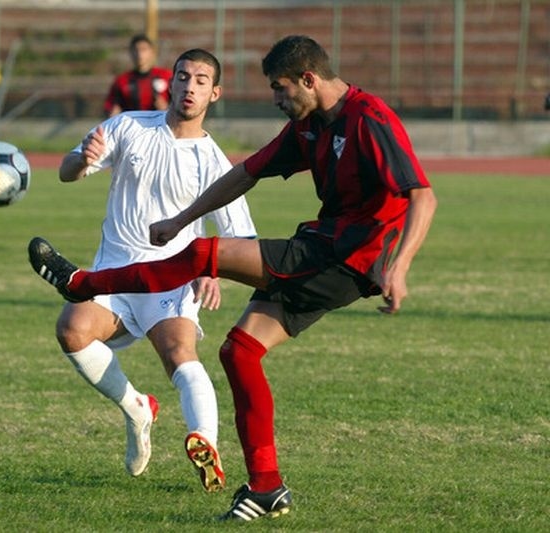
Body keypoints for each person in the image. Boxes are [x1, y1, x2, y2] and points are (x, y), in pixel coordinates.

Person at [29, 35, 437, 521]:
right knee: (238, 351)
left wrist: (400, 266)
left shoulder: (369, 118)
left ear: (308, 80)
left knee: (205, 254)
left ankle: (85, 284)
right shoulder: (307, 126)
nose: (276, 99)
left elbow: (423, 197)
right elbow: (245, 174)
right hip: (324, 247)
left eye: (280, 89)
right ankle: (267, 488)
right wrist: (182, 219)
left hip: (346, 256)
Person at [50, 48, 256, 491]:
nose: (189, 86)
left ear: (215, 93)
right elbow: (66, 172)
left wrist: (212, 269)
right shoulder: (129, 126)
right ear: (171, 82)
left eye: (201, 80)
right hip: (113, 275)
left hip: (169, 281)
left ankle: (205, 440)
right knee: (71, 330)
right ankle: (137, 407)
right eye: (183, 76)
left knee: (179, 354)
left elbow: (240, 237)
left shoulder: (214, 162)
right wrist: (83, 159)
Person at [103, 34, 173, 117]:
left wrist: (167, 109)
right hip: (132, 124)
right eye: (136, 50)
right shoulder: (122, 80)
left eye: (143, 49)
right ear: (130, 53)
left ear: (152, 52)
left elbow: (179, 101)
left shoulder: (166, 76)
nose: (139, 54)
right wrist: (113, 113)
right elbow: (111, 106)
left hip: (161, 123)